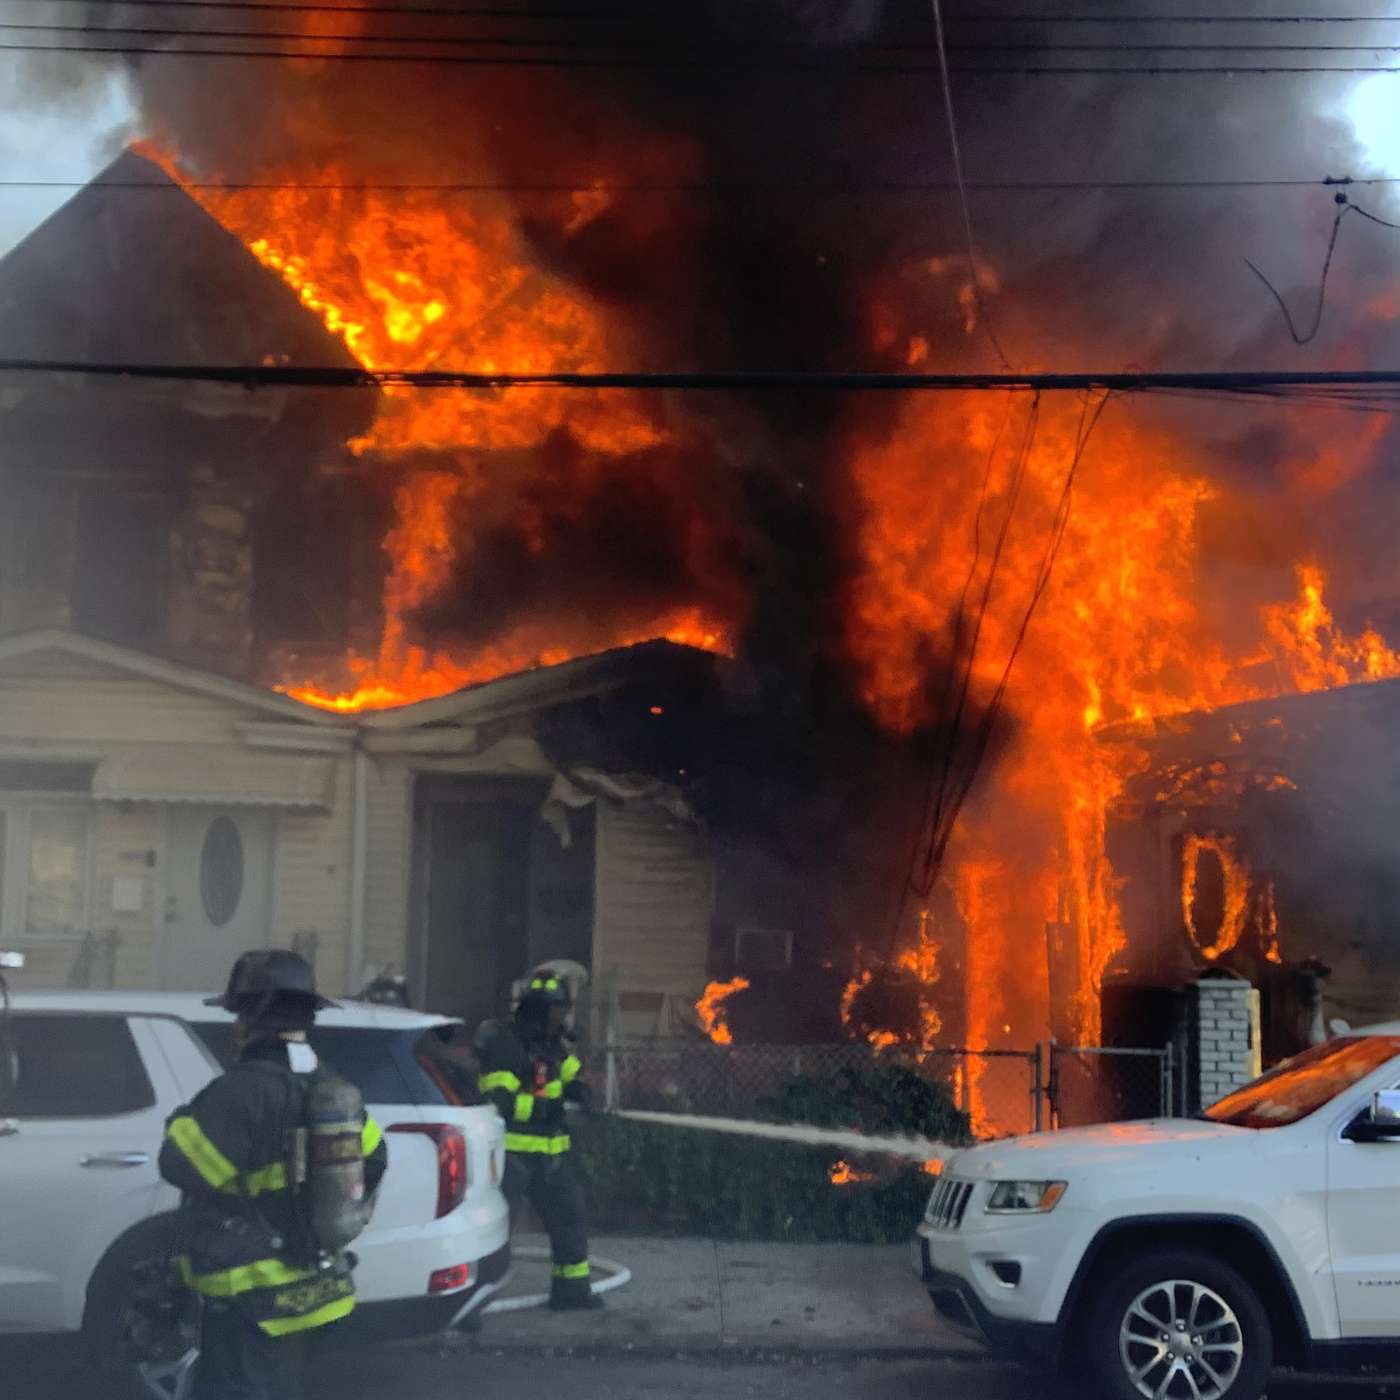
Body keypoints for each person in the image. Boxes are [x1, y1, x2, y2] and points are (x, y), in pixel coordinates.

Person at [159, 950, 387, 1400]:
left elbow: (182, 1165)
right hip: (316, 1292)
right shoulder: (332, 1086)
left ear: (250, 1018)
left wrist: (186, 1118)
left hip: (248, 1298)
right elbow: (375, 1157)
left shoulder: (243, 1089)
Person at [475, 967, 601, 1310]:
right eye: (556, 1011)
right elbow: (498, 1099)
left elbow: (571, 1074)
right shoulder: (506, 1044)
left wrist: (584, 1091)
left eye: (563, 1011)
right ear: (537, 1009)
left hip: (550, 1157)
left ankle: (571, 1292)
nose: (561, 1018)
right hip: (512, 1157)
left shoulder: (552, 1046)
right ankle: (473, 1303)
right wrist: (544, 1109)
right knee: (496, 1232)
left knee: (569, 1218)